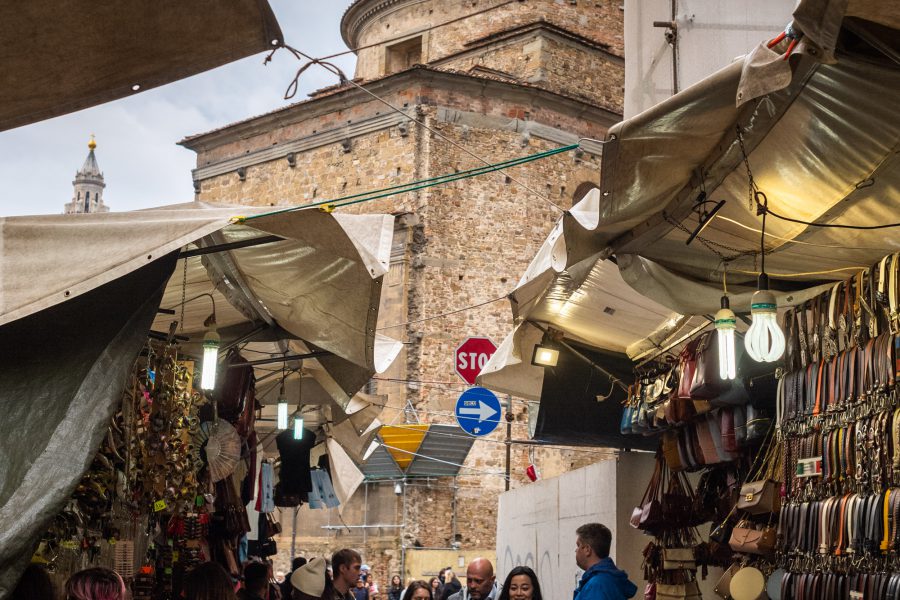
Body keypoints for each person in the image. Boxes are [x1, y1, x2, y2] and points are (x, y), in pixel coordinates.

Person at [573, 523, 637, 600]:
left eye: (578, 545)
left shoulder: (597, 585)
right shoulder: (608, 579)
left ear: (587, 549)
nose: (576, 550)